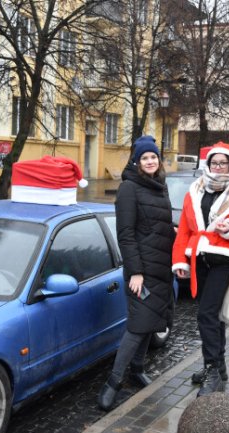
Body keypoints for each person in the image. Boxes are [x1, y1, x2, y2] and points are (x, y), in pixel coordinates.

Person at [172, 142, 229, 396]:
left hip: (224, 260)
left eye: (223, 163)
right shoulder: (195, 191)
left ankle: (212, 371)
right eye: (214, 162)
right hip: (199, 259)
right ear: (208, 164)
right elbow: (184, 230)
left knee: (206, 314)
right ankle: (218, 367)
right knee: (215, 315)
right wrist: (180, 260)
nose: (218, 167)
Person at [98, 135, 176, 411]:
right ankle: (113, 383)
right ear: (136, 161)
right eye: (145, 157)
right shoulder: (129, 188)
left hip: (161, 267)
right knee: (136, 327)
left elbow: (160, 226)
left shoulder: (160, 186)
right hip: (141, 272)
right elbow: (126, 234)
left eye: (154, 156)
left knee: (150, 322)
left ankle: (137, 369)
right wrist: (136, 272)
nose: (150, 161)